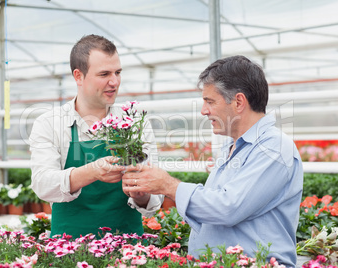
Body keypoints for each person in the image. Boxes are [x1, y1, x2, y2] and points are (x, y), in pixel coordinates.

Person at [122, 55, 303, 267]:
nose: (203, 110)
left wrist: (168, 185)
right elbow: (214, 209)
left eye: (210, 101)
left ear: (238, 102)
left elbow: (228, 208)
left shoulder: (273, 147)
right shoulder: (231, 145)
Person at [29, 34, 162, 238]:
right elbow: (43, 184)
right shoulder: (50, 123)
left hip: (127, 248)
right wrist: (92, 171)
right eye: (104, 74)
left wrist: (141, 194)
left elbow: (155, 198)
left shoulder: (135, 122)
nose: (114, 82)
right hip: (70, 248)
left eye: (118, 72)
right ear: (78, 76)